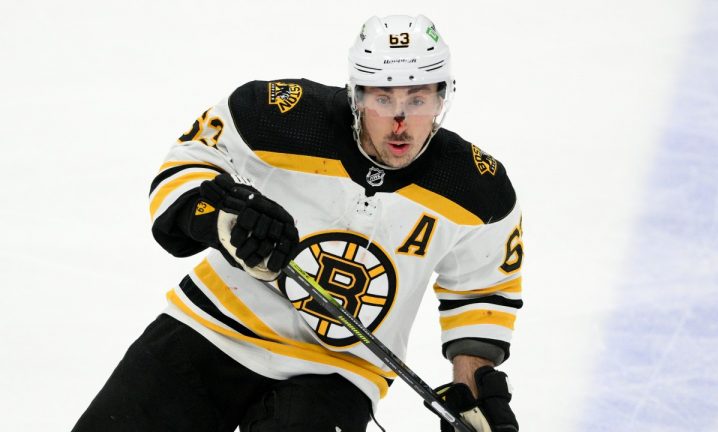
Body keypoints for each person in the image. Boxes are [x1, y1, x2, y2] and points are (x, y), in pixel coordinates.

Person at [73, 14, 523, 432]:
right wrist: (221, 219)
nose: (400, 122)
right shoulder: (280, 116)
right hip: (212, 327)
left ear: (442, 96)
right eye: (384, 99)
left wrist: (474, 384)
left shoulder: (478, 190)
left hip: (338, 372)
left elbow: (482, 288)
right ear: (357, 95)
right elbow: (188, 163)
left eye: (418, 99)